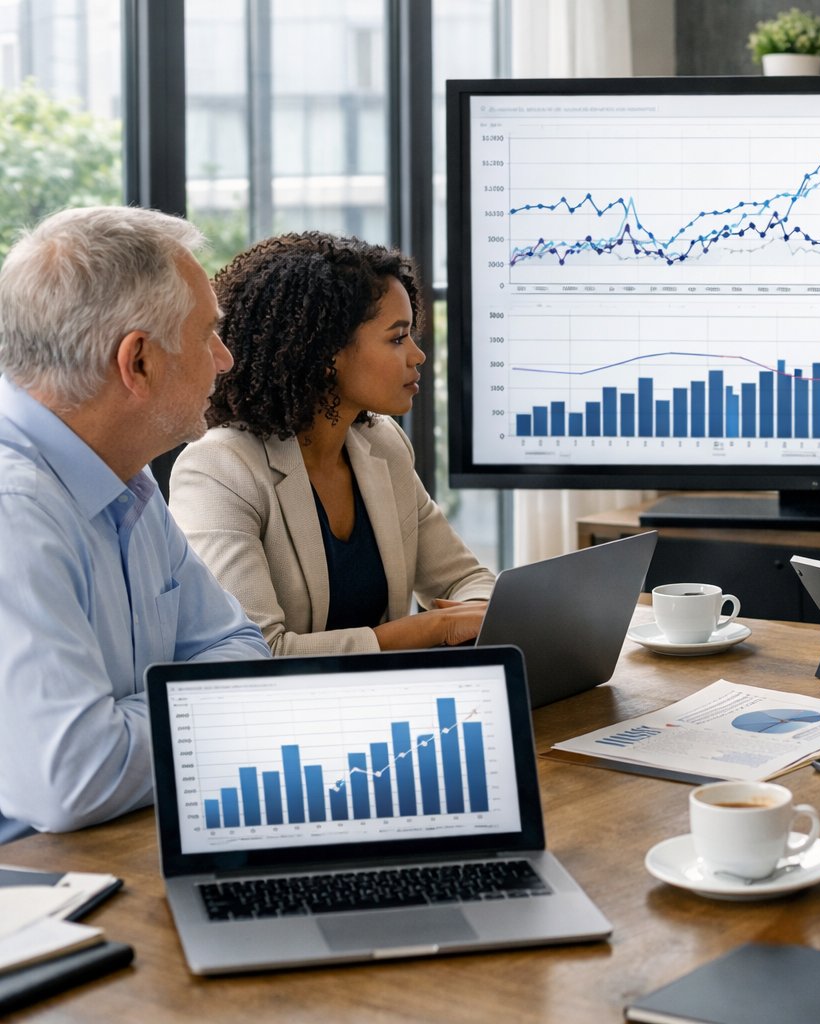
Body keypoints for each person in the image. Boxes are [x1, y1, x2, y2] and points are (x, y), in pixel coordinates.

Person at [0, 207, 270, 842]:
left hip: (121, 843)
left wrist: (125, 721)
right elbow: (78, 777)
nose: (225, 359)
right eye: (208, 334)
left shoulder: (122, 473)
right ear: (139, 363)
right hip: (32, 899)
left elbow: (241, 648)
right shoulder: (14, 510)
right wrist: (208, 708)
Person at [169, 233, 497, 655]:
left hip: (390, 707)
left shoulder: (382, 443)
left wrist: (469, 612)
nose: (418, 356)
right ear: (327, 353)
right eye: (397, 338)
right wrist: (433, 628)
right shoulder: (220, 468)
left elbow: (463, 580)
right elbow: (261, 652)